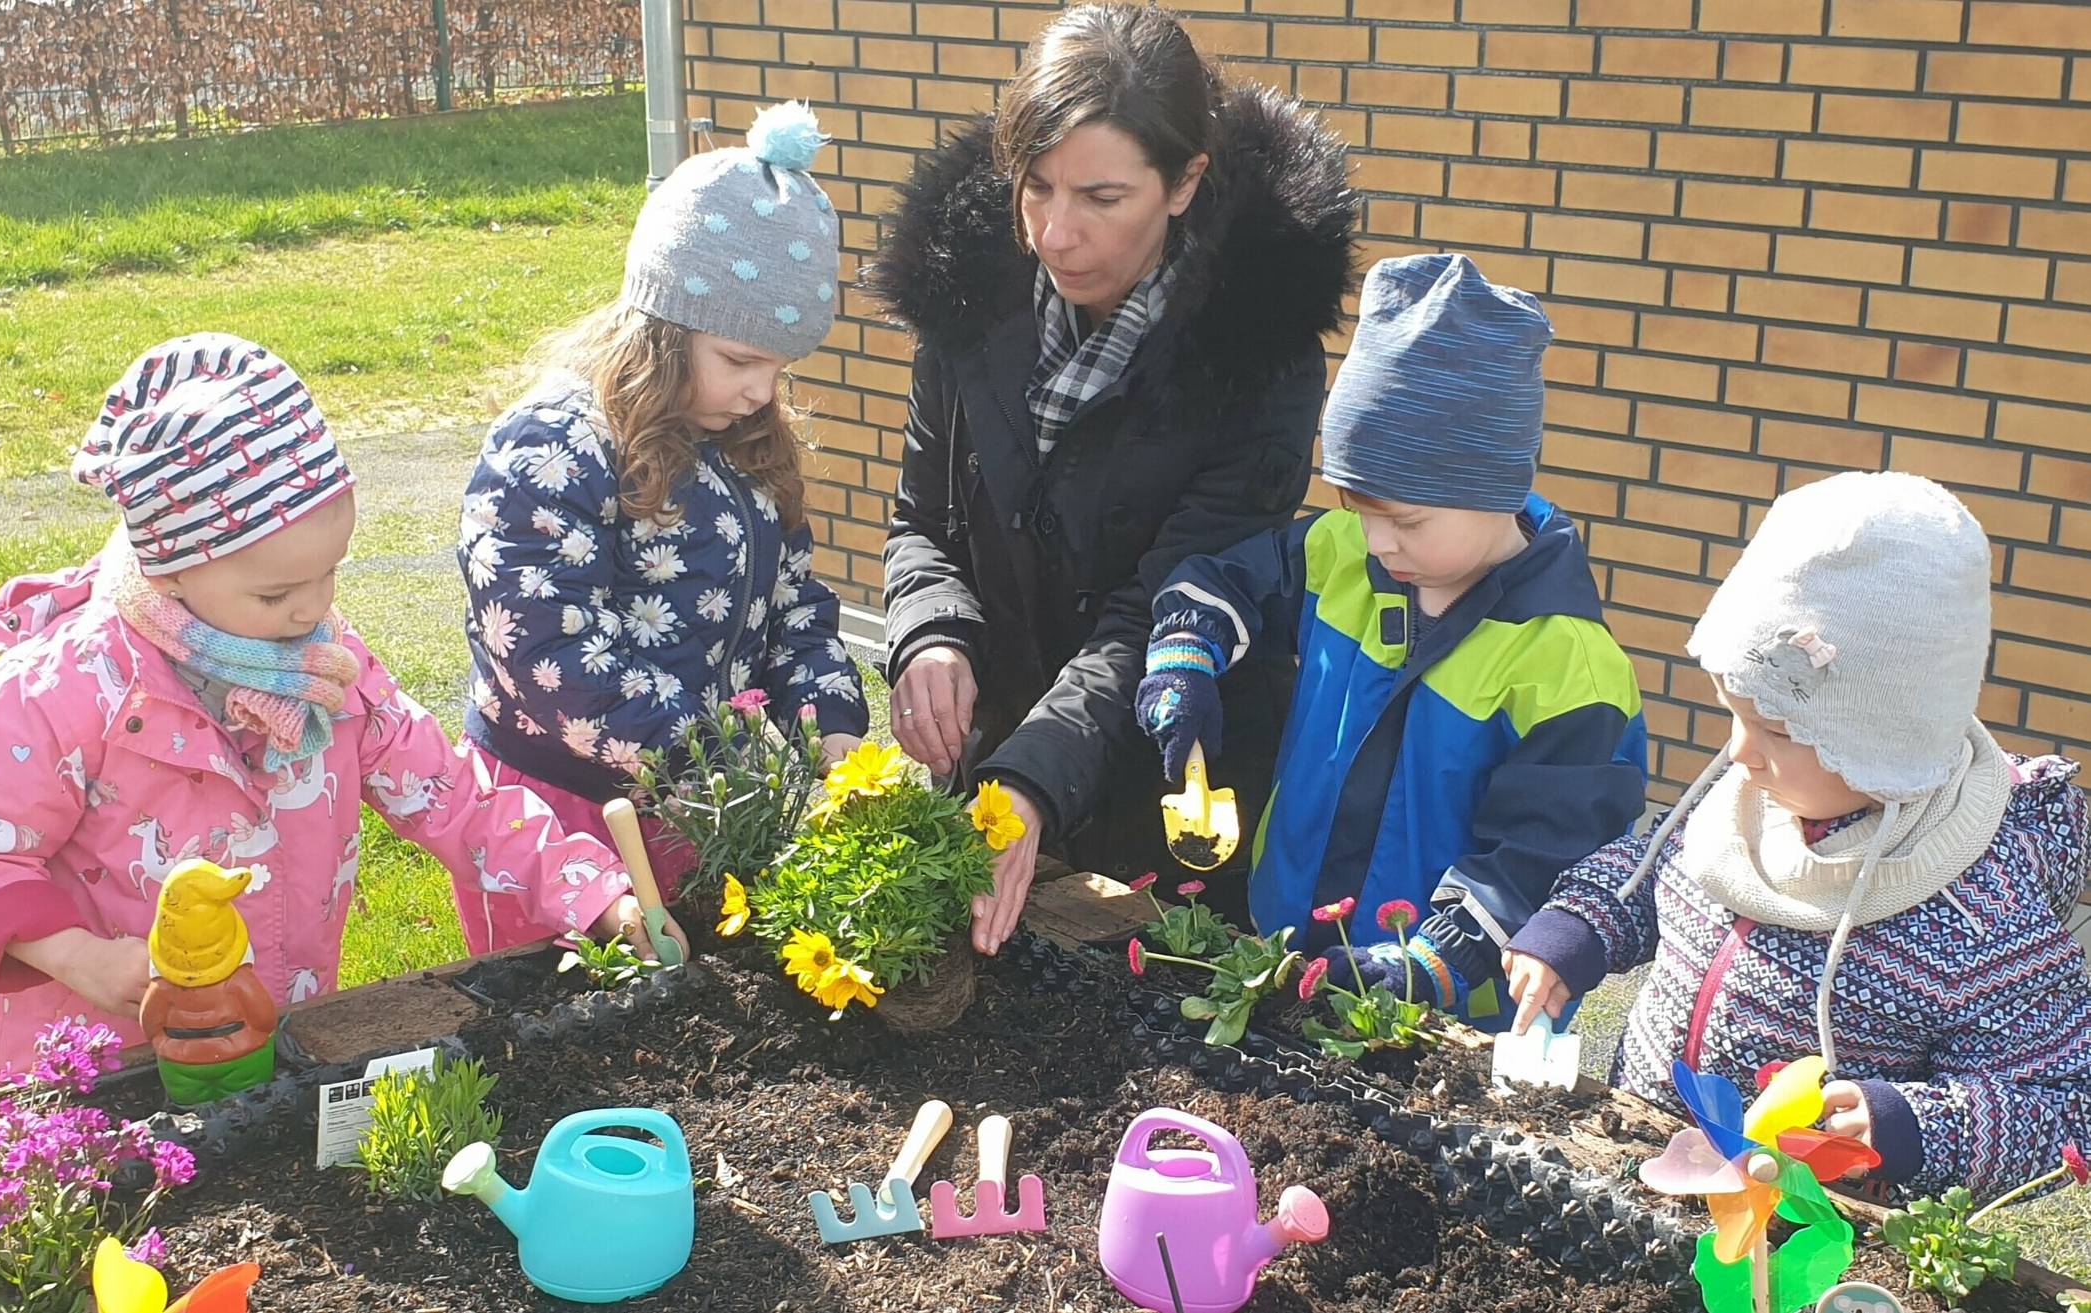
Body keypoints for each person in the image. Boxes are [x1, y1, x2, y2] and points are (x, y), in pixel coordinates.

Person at [0, 334, 674, 1069]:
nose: (311, 609)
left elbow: (457, 797)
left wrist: (593, 895)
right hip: (95, 1064)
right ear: (170, 574)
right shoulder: (67, 691)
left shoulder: (327, 671)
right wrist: (81, 958)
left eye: (331, 572)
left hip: (276, 1029)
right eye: (277, 592)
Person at [867, 3, 1357, 952]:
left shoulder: (1257, 351)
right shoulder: (963, 292)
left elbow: (1165, 604)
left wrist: (1039, 771)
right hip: (1004, 764)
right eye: (1036, 187)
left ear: (1184, 183)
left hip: (1173, 779)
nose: (1055, 234)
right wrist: (929, 633)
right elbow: (923, 520)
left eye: (1101, 198)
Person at [1503, 472, 2091, 1200]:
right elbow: (1659, 865)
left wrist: (1913, 1124)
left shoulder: (1981, 914)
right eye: (1733, 713)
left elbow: (2065, 1102)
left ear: (1881, 741)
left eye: (1776, 729)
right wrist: (1580, 924)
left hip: (1798, 1224)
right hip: (1645, 1150)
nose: (1739, 752)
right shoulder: (1755, 794)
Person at [1134, 253, 1647, 1030]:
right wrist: (1184, 660)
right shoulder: (1343, 551)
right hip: (1289, 945)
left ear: (1496, 489)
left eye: (1404, 521)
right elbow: (1217, 581)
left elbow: (1549, 855)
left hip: (1445, 1014)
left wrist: (1433, 959)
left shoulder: (1568, 665)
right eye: (1358, 507)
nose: (1377, 542)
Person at [458, 101, 867, 936]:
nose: (762, 391)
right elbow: (547, 648)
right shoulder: (552, 450)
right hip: (561, 817)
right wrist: (713, 754)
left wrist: (832, 723)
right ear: (662, 326)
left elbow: (793, 607)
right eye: (741, 360)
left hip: (698, 801)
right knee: (563, 1026)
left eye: (781, 368)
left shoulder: (749, 444)